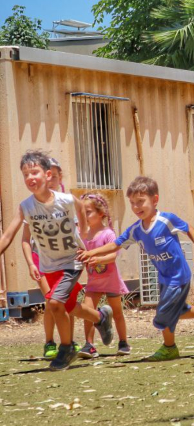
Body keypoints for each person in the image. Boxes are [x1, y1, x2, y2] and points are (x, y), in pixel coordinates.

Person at [80, 176, 194, 361]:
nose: (137, 207)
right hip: (164, 277)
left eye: (141, 201)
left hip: (179, 276)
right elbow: (115, 245)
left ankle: (169, 347)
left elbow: (189, 228)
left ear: (155, 200)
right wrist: (91, 253)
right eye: (132, 203)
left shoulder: (166, 220)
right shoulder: (136, 230)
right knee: (177, 311)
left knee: (163, 314)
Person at [0, 150, 114, 370]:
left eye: (34, 172)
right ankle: (100, 317)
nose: (30, 178)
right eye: (25, 174)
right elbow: (8, 235)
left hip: (72, 261)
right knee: (70, 307)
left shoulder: (66, 200)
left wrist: (83, 232)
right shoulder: (26, 207)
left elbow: (81, 208)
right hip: (48, 264)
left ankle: (67, 348)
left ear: (48, 174)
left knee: (54, 303)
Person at [21, 157, 70, 360]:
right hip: (40, 259)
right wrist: (31, 263)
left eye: (54, 176)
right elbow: (25, 238)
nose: (49, 181)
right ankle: (50, 342)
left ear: (57, 178)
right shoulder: (30, 206)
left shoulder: (65, 202)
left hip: (63, 259)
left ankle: (70, 340)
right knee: (51, 300)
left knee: (64, 303)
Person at [77, 193, 131, 358]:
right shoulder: (82, 235)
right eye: (82, 212)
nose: (84, 216)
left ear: (101, 213)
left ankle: (123, 342)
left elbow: (113, 256)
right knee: (87, 311)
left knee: (117, 312)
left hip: (111, 281)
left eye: (88, 212)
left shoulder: (108, 234)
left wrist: (97, 258)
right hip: (93, 282)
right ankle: (89, 345)